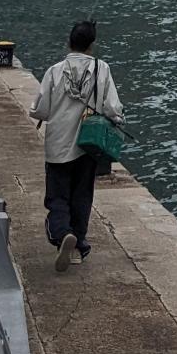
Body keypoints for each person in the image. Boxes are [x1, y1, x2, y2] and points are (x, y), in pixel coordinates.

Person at [30, 20, 124, 271]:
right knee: (82, 195)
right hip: (87, 143)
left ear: (68, 42)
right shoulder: (101, 68)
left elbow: (40, 109)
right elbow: (112, 108)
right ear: (92, 45)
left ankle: (62, 234)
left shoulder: (54, 71)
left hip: (58, 143)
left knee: (57, 194)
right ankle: (78, 245)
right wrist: (117, 122)